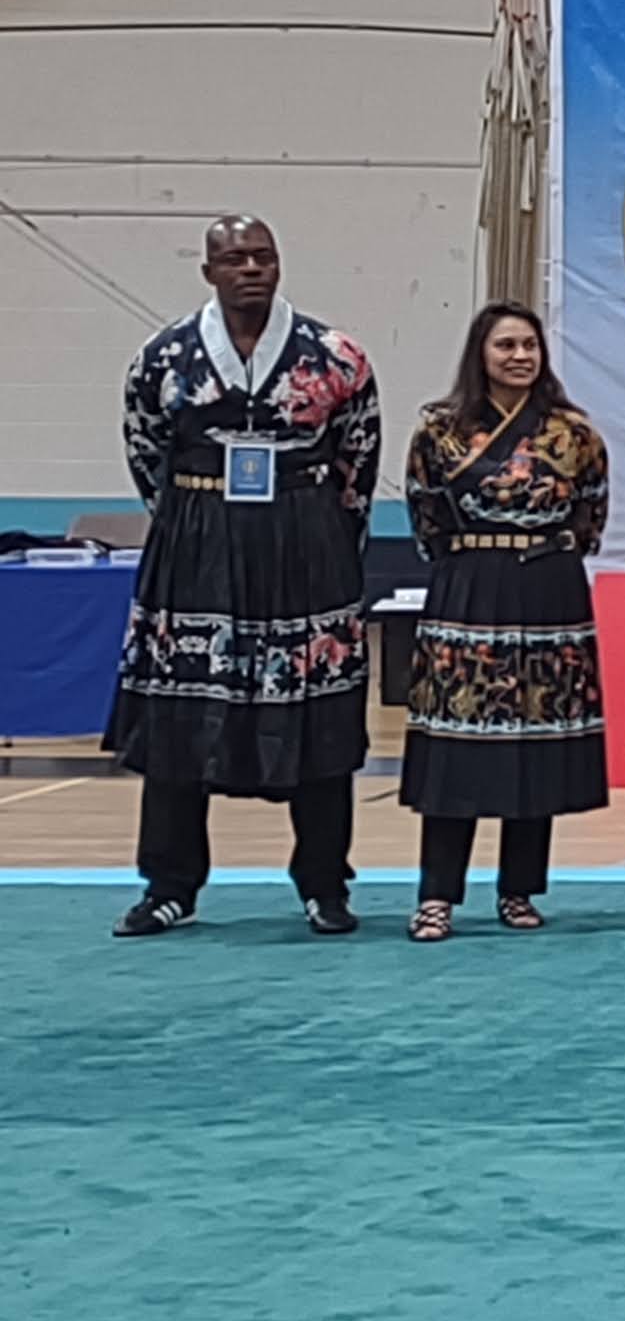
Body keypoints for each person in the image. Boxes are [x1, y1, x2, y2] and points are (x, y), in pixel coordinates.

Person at [109, 215, 381, 938]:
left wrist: (329, 540)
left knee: (318, 716)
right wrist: (192, 523)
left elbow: (358, 459)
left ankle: (325, 885)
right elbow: (146, 452)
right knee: (180, 716)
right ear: (209, 272)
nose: (251, 268)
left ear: (280, 264)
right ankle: (169, 886)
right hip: (196, 546)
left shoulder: (335, 355)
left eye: (263, 256)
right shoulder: (164, 357)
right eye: (234, 259)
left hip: (306, 543)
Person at [396, 300, 609, 942]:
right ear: (481, 355)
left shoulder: (574, 433)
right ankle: (437, 894)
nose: (520, 357)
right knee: (455, 743)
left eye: (529, 345)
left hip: (549, 590)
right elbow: (426, 517)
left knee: (535, 743)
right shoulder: (439, 432)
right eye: (506, 346)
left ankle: (519, 889)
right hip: (467, 589)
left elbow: (590, 515)